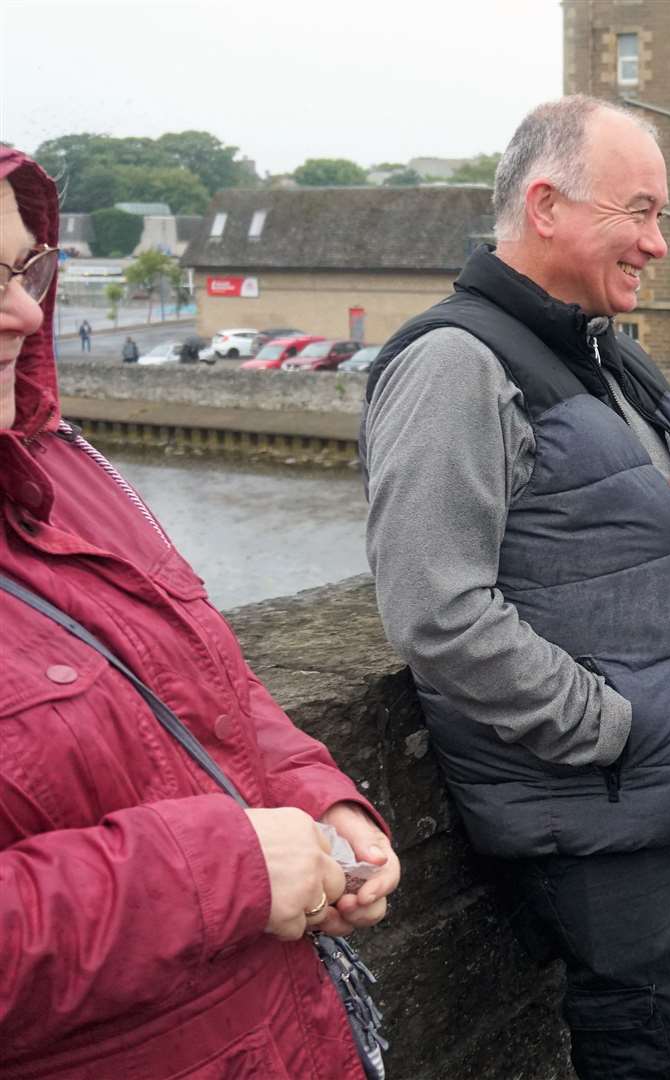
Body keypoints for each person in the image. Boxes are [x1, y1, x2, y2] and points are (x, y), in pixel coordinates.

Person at [361, 96, 670, 1079]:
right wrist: (607, 727)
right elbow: (437, 609)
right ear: (546, 206)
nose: (659, 245)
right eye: (640, 212)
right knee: (665, 1051)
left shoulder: (596, 349)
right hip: (605, 804)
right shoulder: (454, 364)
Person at [0, 148, 400, 1078]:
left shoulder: (64, 468)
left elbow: (198, 675)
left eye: (25, 271)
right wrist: (227, 870)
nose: (26, 312)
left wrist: (317, 797)